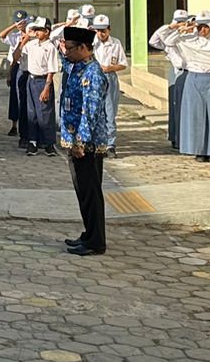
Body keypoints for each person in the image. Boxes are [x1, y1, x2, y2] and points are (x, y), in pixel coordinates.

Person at [59, 26, 111, 256]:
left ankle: (96, 241)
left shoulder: (93, 73)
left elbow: (90, 112)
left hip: (87, 145)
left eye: (70, 48)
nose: (65, 52)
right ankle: (89, 233)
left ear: (83, 48)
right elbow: (61, 53)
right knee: (83, 191)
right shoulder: (76, 66)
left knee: (90, 192)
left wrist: (81, 142)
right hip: (75, 141)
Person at [177, 11, 210, 162]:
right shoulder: (189, 40)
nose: (203, 31)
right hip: (193, 79)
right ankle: (198, 151)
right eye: (199, 27)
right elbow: (164, 39)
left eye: (206, 27)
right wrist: (185, 27)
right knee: (196, 116)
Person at [16, 17, 59, 157]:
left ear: (47, 31)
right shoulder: (32, 44)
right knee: (32, 113)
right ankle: (32, 142)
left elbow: (52, 69)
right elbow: (16, 56)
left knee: (45, 113)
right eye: (35, 30)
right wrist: (25, 39)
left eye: (39, 30)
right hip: (31, 79)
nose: (36, 32)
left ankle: (48, 143)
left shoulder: (50, 47)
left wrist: (47, 87)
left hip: (43, 80)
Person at [149, 10, 191, 150]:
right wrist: (171, 27)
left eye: (182, 21)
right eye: (178, 21)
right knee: (175, 107)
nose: (180, 24)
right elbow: (153, 40)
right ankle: (175, 136)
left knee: (185, 107)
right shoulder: (169, 37)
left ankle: (184, 137)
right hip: (175, 72)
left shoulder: (190, 36)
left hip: (188, 72)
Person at [91, 15, 129, 154]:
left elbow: (123, 64)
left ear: (109, 29)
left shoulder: (116, 43)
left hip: (109, 77)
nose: (101, 33)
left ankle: (110, 143)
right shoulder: (92, 43)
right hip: (94, 78)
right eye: (98, 30)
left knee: (110, 111)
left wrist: (110, 68)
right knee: (94, 110)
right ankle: (95, 141)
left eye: (104, 30)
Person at [0, 9, 29, 136]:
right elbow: (1, 35)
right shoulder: (15, 36)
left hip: (28, 67)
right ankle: (14, 125)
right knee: (15, 97)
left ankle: (26, 125)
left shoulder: (32, 35)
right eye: (17, 22)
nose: (20, 24)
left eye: (22, 21)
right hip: (16, 66)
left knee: (26, 97)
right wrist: (14, 26)